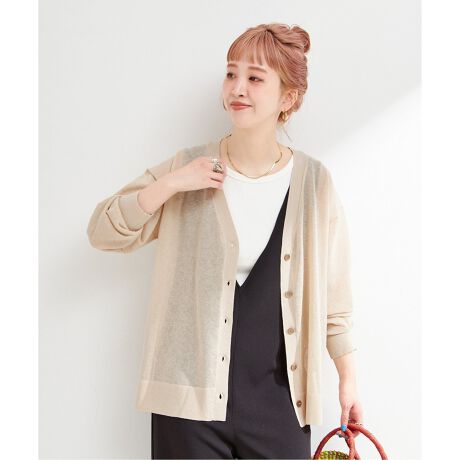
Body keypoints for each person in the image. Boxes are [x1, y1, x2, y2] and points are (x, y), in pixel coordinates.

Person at [87, 23, 363, 459]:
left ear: (288, 98)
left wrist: (348, 379)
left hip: (282, 406)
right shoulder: (188, 166)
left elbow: (335, 300)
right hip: (187, 405)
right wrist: (173, 183)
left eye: (255, 78)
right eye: (231, 73)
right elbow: (103, 231)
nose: (238, 88)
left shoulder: (314, 183)